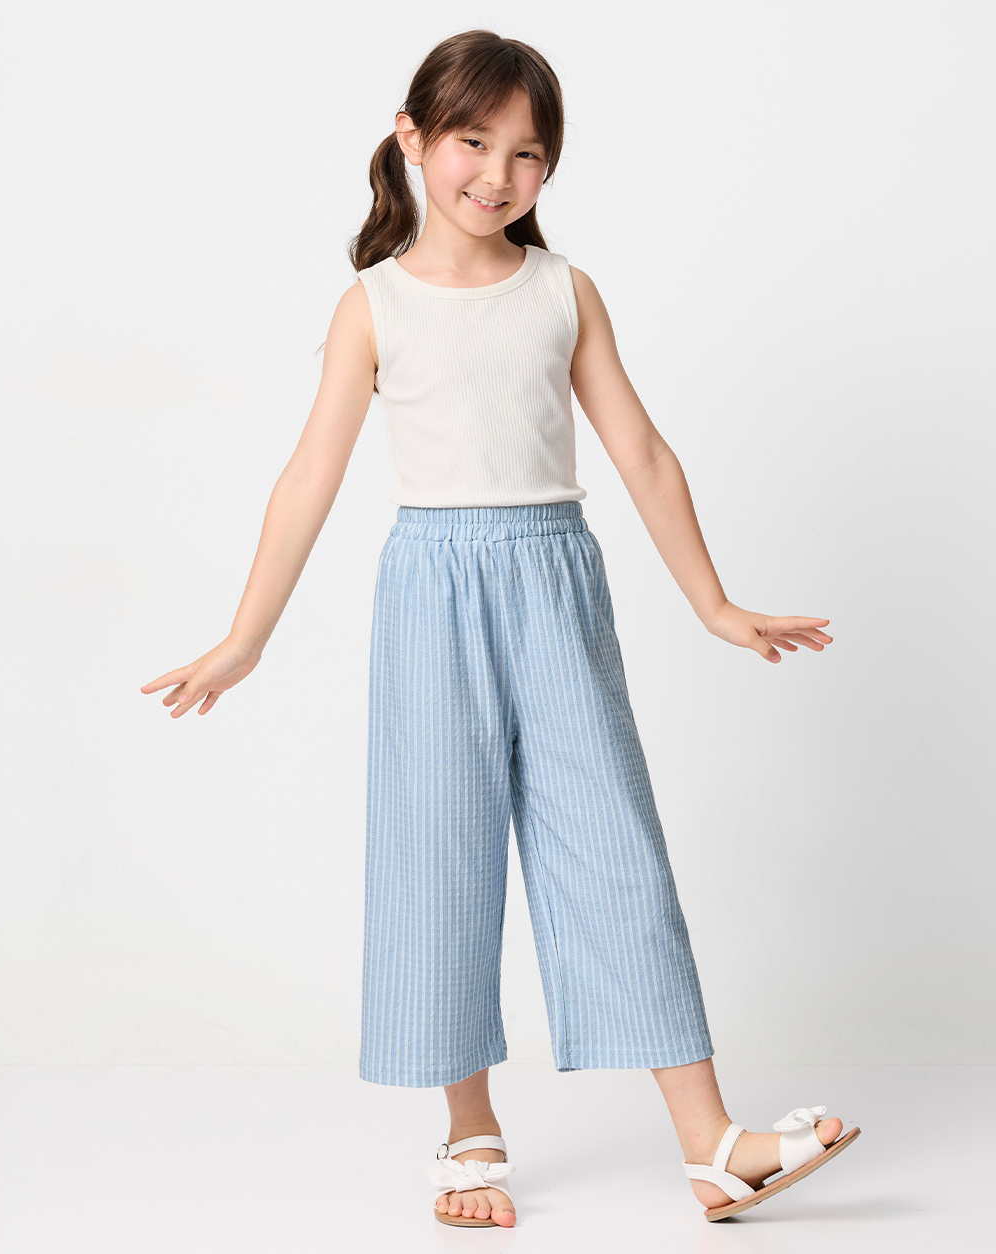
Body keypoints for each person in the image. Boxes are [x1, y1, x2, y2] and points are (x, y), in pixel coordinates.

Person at [141, 28, 860, 1230]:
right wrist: (245, 637)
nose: (498, 173)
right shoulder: (372, 306)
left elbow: (640, 452)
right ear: (412, 140)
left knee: (615, 847)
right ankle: (468, 1129)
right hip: (429, 591)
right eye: (473, 141)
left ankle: (712, 1144)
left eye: (528, 153)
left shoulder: (563, 291)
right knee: (440, 855)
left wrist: (713, 603)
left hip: (554, 578)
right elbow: (308, 477)